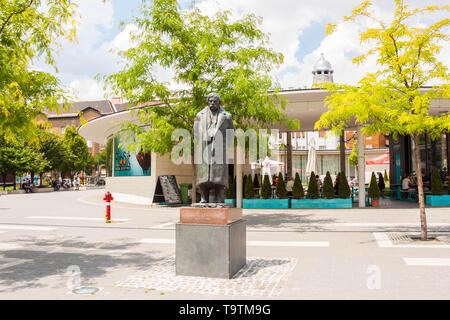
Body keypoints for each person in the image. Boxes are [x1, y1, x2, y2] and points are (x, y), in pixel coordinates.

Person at [193, 93, 235, 203]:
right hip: (205, 147)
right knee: (203, 174)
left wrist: (224, 144)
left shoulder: (227, 116)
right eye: (210, 101)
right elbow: (195, 132)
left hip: (219, 148)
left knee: (219, 174)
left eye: (215, 101)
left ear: (219, 102)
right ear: (207, 102)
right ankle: (204, 197)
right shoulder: (199, 115)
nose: (212, 103)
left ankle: (219, 197)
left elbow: (232, 132)